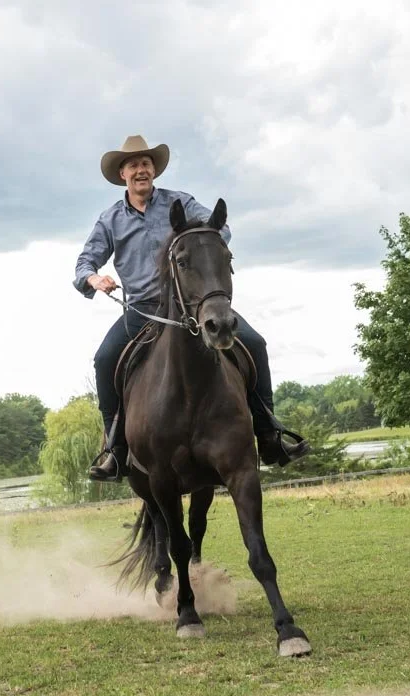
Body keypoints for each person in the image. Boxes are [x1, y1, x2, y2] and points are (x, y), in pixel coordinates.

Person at [73, 135, 310, 481]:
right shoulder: (110, 220)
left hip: (193, 306)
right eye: (133, 165)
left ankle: (270, 436)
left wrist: (203, 243)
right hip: (143, 310)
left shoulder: (180, 202)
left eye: (146, 163)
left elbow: (220, 228)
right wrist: (94, 278)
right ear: (122, 174)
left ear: (154, 170)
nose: (141, 170)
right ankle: (116, 450)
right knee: (105, 358)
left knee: (254, 343)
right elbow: (84, 263)